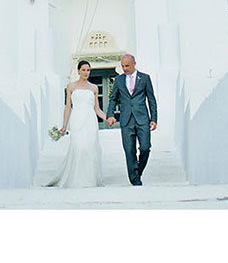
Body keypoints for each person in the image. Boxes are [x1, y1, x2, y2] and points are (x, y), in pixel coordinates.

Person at [45, 60, 108, 188]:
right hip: (77, 119)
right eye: (83, 70)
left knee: (90, 148)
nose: (86, 72)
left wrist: (108, 118)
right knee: (79, 147)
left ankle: (89, 179)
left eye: (88, 70)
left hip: (90, 120)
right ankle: (76, 179)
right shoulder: (71, 87)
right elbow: (68, 106)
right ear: (78, 71)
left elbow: (97, 109)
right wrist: (64, 125)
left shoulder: (94, 88)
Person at [106, 53, 157, 186]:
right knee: (129, 151)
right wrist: (110, 114)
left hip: (142, 119)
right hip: (126, 120)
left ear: (134, 64)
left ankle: (137, 172)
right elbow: (113, 99)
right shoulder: (118, 80)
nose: (125, 68)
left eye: (127, 66)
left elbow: (151, 99)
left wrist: (154, 119)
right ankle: (135, 180)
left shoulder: (145, 78)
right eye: (122, 66)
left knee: (145, 148)